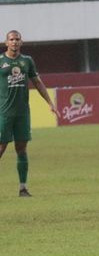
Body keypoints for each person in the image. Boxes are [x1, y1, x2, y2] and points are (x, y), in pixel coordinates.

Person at [0, 30, 59, 197]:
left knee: (21, 148)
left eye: (17, 39)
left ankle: (23, 188)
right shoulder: (1, 61)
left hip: (22, 114)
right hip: (4, 112)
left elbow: (38, 82)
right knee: (1, 147)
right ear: (6, 42)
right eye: (11, 39)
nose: (14, 42)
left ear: (21, 42)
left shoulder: (27, 61)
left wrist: (50, 103)